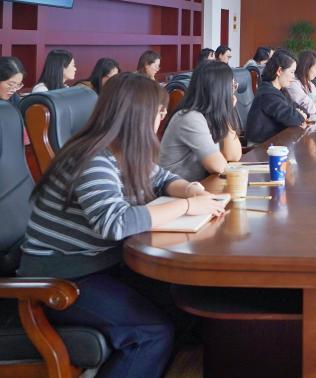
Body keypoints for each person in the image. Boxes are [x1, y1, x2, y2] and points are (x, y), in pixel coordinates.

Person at [19, 72, 225, 378]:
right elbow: (114, 223)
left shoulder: (123, 150)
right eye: (159, 111)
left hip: (101, 265)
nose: (162, 117)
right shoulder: (92, 158)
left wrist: (190, 189)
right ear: (138, 116)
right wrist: (186, 206)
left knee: (185, 305)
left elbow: (162, 178)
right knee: (150, 333)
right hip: (62, 277)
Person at [160, 61, 242, 182]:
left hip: (196, 187)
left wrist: (227, 113)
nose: (233, 92)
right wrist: (227, 109)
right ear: (220, 90)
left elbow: (233, 155)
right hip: (173, 191)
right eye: (232, 86)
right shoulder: (190, 118)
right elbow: (218, 166)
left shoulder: (211, 116)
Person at [245, 50, 307, 144]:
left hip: (274, 143)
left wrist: (299, 114)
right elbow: (294, 119)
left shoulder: (280, 90)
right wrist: (299, 115)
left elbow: (302, 110)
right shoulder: (267, 93)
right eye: (291, 72)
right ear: (279, 71)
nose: (293, 77)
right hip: (260, 147)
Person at [284, 50, 316, 118]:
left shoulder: (309, 83)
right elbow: (309, 108)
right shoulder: (292, 83)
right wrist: (315, 105)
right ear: (306, 67)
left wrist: (314, 105)